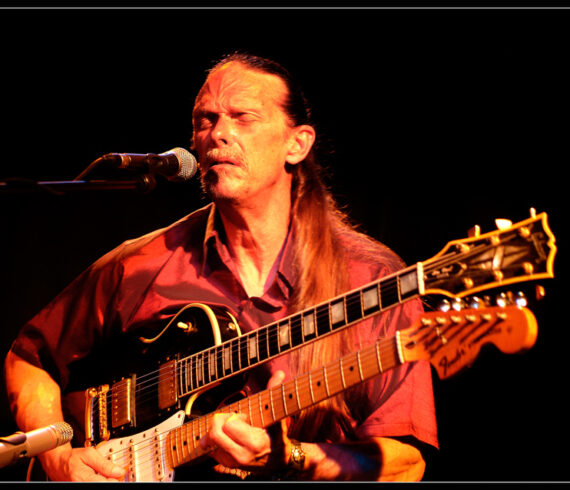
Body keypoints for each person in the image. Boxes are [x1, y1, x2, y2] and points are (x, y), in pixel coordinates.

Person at [4, 52, 438, 481]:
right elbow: (27, 359)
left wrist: (289, 456)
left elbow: (406, 464)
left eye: (243, 117)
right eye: (205, 120)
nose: (218, 134)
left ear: (297, 143)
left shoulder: (372, 278)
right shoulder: (142, 263)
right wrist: (58, 459)